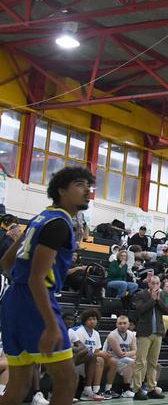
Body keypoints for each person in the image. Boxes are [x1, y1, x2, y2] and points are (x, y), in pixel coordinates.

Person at [0, 167, 90, 405]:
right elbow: (36, 278)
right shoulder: (59, 224)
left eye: (89, 185)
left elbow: (6, 262)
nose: (88, 191)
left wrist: (19, 290)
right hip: (34, 300)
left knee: (19, 384)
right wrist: (50, 324)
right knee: (67, 380)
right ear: (61, 190)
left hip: (13, 299)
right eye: (80, 185)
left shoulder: (40, 218)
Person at [132, 275, 168, 400]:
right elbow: (140, 310)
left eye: (157, 283)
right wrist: (152, 300)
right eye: (153, 283)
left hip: (157, 332)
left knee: (153, 363)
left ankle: (151, 388)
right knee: (140, 362)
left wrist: (158, 300)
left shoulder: (161, 296)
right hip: (144, 333)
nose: (155, 286)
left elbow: (167, 310)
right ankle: (137, 390)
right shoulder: (141, 295)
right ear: (148, 284)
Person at [70, 309, 115, 401]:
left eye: (94, 319)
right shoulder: (78, 331)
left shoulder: (96, 333)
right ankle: (94, 390)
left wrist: (103, 354)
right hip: (79, 361)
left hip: (91, 360)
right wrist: (102, 354)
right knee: (99, 359)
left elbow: (97, 350)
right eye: (90, 319)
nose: (93, 321)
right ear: (85, 321)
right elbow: (79, 352)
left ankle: (107, 390)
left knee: (113, 361)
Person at [103, 316, 137, 398]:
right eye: (120, 323)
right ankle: (126, 390)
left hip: (122, 358)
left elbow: (135, 350)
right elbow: (119, 354)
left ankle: (137, 388)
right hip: (109, 359)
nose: (122, 325)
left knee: (139, 361)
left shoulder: (131, 334)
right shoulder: (112, 335)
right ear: (116, 325)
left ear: (128, 324)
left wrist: (129, 354)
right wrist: (130, 354)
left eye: (125, 323)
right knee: (132, 362)